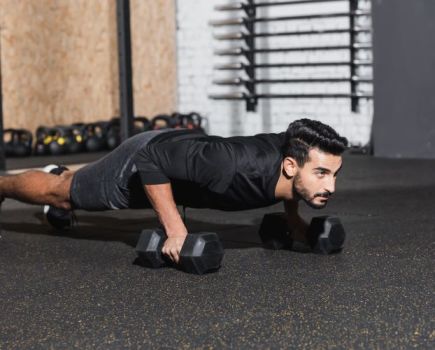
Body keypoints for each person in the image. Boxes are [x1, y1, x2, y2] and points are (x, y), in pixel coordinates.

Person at [0, 118, 348, 264]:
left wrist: (295, 222)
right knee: (62, 193)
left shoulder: (293, 160)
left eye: (334, 174)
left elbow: (294, 185)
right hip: (147, 159)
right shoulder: (230, 165)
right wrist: (175, 229)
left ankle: (66, 175)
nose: (330, 186)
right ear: (290, 166)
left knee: (78, 182)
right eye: (322, 173)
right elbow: (151, 159)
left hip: (184, 161)